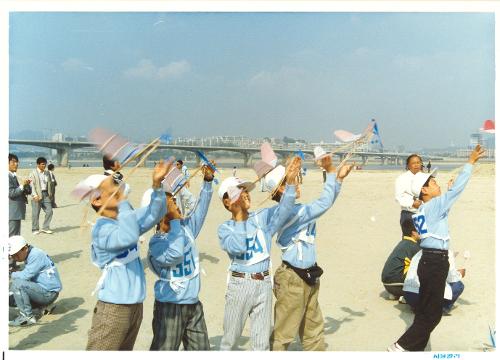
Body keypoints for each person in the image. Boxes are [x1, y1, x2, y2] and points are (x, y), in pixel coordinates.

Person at [388, 144, 485, 352]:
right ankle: (399, 347)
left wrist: (446, 195)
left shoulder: (424, 209)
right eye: (433, 182)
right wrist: (470, 162)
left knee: (424, 313)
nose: (436, 183)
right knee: (432, 316)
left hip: (429, 261)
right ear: (424, 190)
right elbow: (458, 189)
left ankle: (414, 350)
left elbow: (440, 217)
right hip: (434, 262)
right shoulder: (433, 205)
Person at [79, 160, 171, 350]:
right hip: (113, 308)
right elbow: (128, 237)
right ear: (96, 200)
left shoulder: (125, 218)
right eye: (111, 189)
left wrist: (157, 185)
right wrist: (123, 202)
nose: (118, 191)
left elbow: (156, 212)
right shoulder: (101, 228)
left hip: (135, 306)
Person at [217, 157, 301, 350]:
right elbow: (237, 247)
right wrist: (239, 217)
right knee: (230, 340)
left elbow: (284, 209)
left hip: (263, 283)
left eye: (246, 190)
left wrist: (288, 183)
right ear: (228, 202)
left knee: (261, 343)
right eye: (240, 192)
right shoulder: (226, 228)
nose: (246, 194)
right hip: (239, 285)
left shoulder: (261, 218)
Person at [271, 155, 353, 351]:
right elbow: (323, 204)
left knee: (313, 331)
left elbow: (324, 203)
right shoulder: (288, 214)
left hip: (307, 276)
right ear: (279, 190)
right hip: (292, 279)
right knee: (284, 334)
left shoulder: (299, 210)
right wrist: (331, 173)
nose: (297, 182)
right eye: (289, 182)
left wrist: (337, 179)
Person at [148, 162, 215, 350]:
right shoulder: (157, 242)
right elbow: (175, 255)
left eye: (175, 200)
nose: (175, 204)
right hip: (169, 305)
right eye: (170, 202)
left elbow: (200, 211)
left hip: (193, 304)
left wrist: (207, 182)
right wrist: (176, 220)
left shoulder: (186, 228)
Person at [8, 235, 62, 326]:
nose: (15, 258)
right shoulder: (31, 253)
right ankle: (44, 307)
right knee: (10, 298)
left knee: (17, 284)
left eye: (16, 254)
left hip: (49, 293)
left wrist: (11, 274)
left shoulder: (36, 255)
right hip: (45, 290)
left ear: (25, 248)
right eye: (12, 256)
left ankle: (27, 317)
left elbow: (25, 276)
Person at [403, 249, 465, 314]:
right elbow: (452, 278)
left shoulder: (419, 252)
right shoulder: (446, 253)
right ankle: (440, 309)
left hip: (409, 296)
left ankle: (417, 307)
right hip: (425, 297)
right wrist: (460, 274)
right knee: (459, 285)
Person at [381, 218, 421, 300]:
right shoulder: (414, 247)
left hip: (387, 284)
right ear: (413, 233)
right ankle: (406, 297)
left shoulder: (403, 243)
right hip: (397, 285)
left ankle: (395, 294)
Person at [395, 154, 424, 236]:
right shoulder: (402, 178)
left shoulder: (425, 177)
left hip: (421, 214)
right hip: (408, 214)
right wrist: (412, 203)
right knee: (409, 241)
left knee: (422, 240)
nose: (416, 165)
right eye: (413, 163)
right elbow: (398, 197)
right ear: (408, 165)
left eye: (418, 162)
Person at [29, 157, 54, 235]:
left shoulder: (47, 173)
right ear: (38, 164)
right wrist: (34, 195)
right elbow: (31, 185)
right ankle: (35, 229)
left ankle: (45, 227)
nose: (44, 166)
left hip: (46, 194)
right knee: (35, 213)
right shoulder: (33, 173)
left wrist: (50, 194)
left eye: (45, 164)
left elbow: (50, 184)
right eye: (43, 164)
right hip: (36, 194)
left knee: (50, 211)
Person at [9, 153, 32, 237]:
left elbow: (20, 191)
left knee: (15, 236)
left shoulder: (13, 176)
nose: (16, 164)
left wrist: (26, 186)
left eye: (17, 162)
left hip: (15, 212)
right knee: (12, 237)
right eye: (13, 162)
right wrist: (22, 185)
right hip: (11, 212)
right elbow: (11, 193)